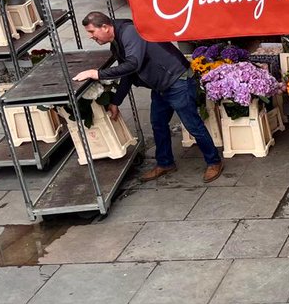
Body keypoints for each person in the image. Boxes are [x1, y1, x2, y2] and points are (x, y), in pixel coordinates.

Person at [73, 12, 223, 183]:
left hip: (176, 80)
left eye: (92, 32)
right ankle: (165, 163)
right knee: (158, 123)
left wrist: (97, 74)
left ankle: (214, 162)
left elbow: (132, 64)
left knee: (192, 125)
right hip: (161, 85)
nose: (90, 36)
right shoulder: (116, 42)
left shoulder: (129, 33)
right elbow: (128, 73)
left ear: (105, 27)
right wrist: (116, 101)